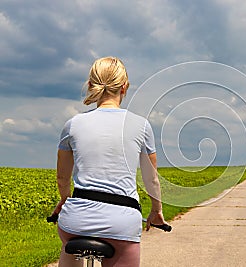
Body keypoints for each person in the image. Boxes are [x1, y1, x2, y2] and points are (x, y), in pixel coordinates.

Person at [51, 57, 166, 267]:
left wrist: (65, 200)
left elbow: (62, 178)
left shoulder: (73, 124)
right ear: (124, 87)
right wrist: (156, 210)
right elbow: (152, 180)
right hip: (121, 223)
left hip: (76, 221)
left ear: (91, 85)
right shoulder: (141, 125)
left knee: (70, 243)